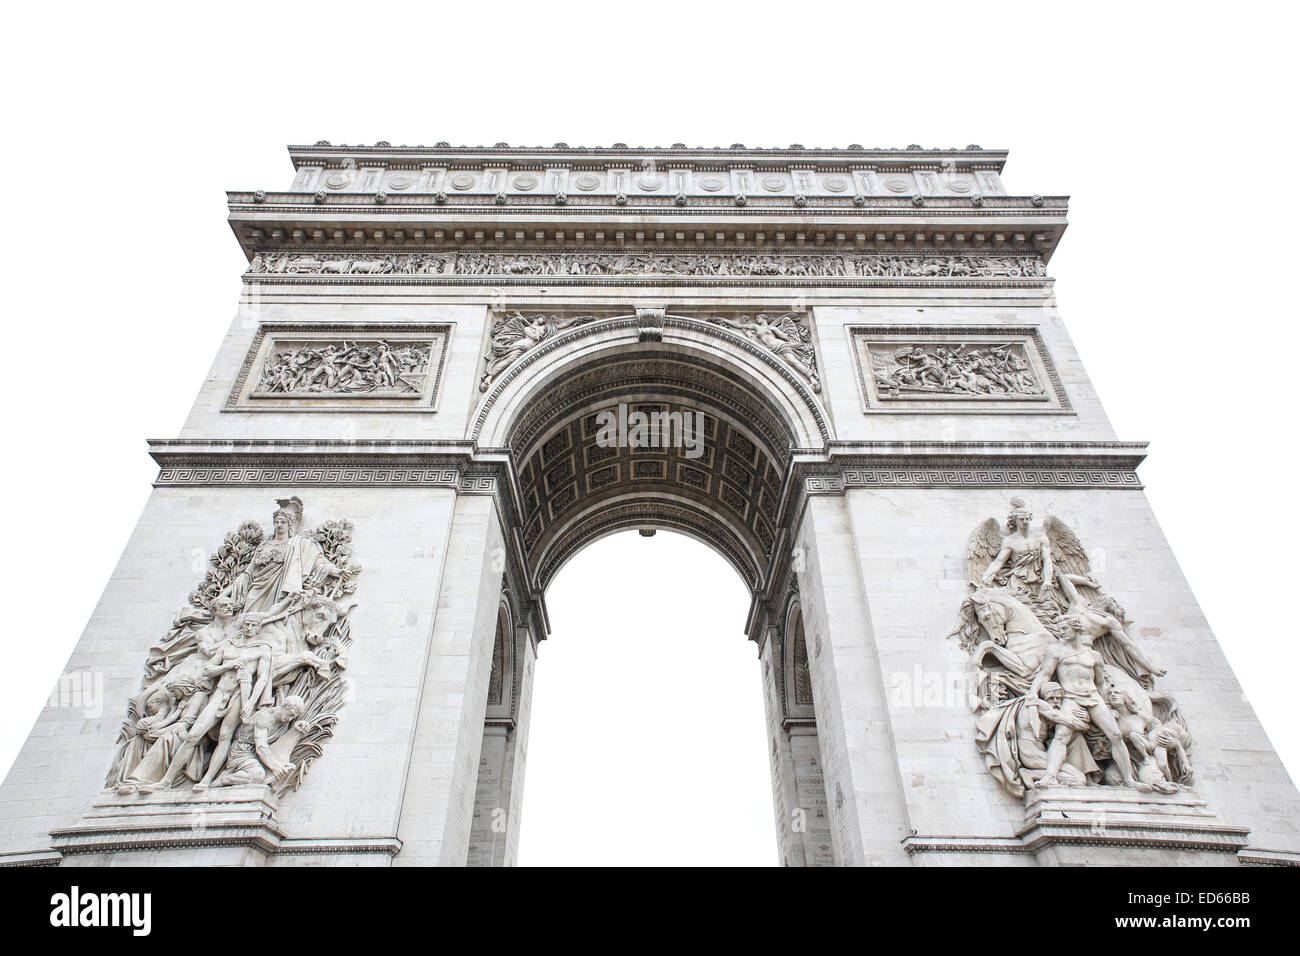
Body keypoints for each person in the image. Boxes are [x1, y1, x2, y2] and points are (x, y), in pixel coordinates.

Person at [1028, 616, 1151, 791]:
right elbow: (1045, 674)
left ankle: (1129, 780)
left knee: (1115, 735)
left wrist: (1108, 705)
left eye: (1065, 628)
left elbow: (1100, 683)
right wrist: (1033, 692)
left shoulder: (1093, 655)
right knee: (1061, 735)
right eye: (1060, 628)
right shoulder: (1056, 651)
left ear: (1076, 628)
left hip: (1093, 697)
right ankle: (1050, 776)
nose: (1061, 631)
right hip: (1071, 697)